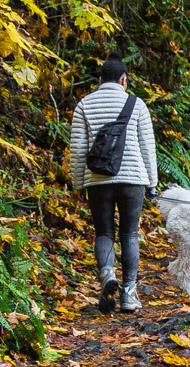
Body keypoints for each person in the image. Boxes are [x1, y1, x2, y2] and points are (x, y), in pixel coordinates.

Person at [68, 54, 159, 312]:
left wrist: (78, 184)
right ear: (123, 79)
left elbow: (78, 149)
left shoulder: (84, 104)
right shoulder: (137, 104)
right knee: (129, 234)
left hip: (97, 180)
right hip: (132, 180)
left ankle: (107, 274)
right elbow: (147, 147)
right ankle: (129, 294)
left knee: (104, 232)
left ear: (100, 80)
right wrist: (152, 183)